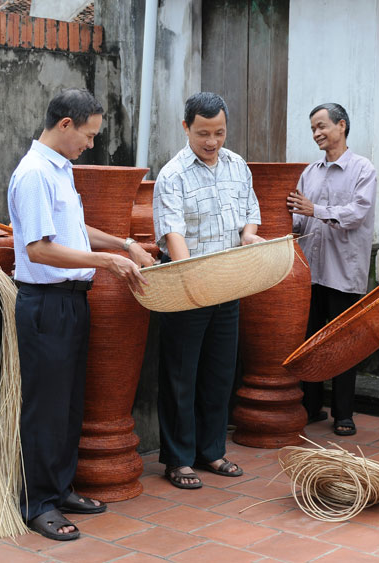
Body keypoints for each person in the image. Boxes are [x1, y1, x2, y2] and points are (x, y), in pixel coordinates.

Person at [7, 88, 155, 541]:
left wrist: (124, 243)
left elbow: (73, 229)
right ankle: (38, 504)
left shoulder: (61, 170)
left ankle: (61, 487)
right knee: (45, 408)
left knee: (70, 404)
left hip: (71, 301)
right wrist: (108, 262)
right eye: (88, 135)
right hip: (45, 304)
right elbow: (39, 247)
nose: (91, 144)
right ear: (65, 124)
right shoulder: (34, 174)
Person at [152, 92, 264, 489]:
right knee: (181, 373)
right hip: (186, 286)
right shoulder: (173, 175)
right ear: (186, 128)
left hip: (227, 282)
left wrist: (250, 238)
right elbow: (173, 233)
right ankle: (178, 459)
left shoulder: (238, 166)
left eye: (218, 132)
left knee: (220, 372)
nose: (212, 141)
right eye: (203, 133)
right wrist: (190, 276)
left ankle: (211, 451)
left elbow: (250, 215)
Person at [287, 103, 376, 437]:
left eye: (322, 126)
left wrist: (315, 209)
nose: (316, 134)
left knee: (343, 344)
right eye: (312, 129)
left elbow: (357, 214)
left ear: (342, 125)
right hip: (310, 272)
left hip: (344, 272)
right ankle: (311, 407)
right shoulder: (309, 172)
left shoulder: (363, 169)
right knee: (310, 341)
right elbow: (299, 218)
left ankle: (343, 413)